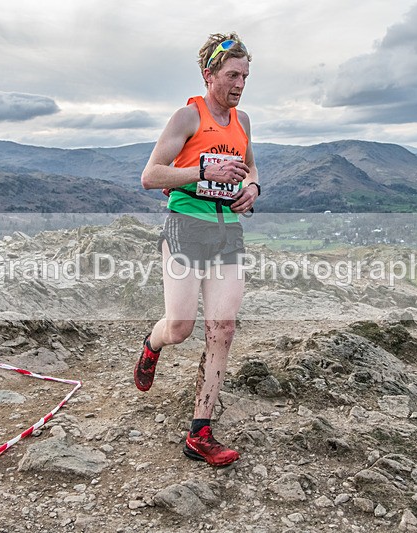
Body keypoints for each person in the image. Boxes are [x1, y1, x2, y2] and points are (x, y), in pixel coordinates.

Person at [135, 32, 260, 467]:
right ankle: (152, 344)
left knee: (222, 328)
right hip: (185, 227)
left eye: (245, 75)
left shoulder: (242, 121)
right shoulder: (187, 117)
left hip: (228, 233)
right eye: (232, 75)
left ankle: (200, 432)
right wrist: (203, 170)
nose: (240, 83)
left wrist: (251, 187)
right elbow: (151, 176)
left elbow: (250, 164)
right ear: (209, 75)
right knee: (181, 328)